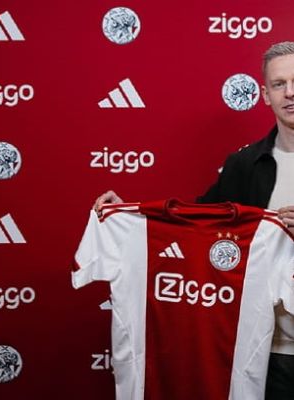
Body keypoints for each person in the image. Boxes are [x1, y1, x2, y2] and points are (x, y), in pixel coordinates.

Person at [95, 41, 294, 399]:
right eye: (279, 84)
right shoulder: (244, 165)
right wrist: (131, 218)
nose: (290, 92)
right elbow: (194, 225)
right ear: (265, 95)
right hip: (267, 352)